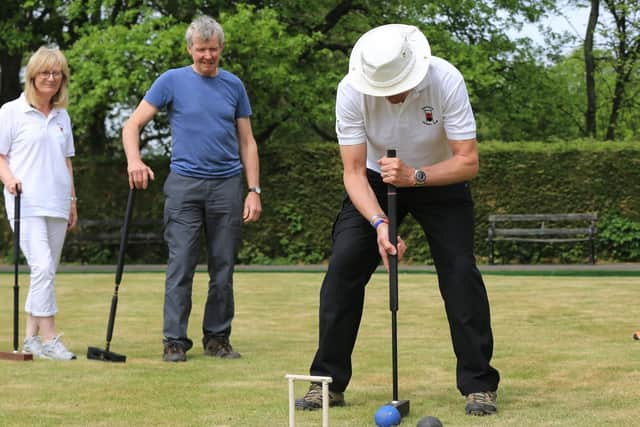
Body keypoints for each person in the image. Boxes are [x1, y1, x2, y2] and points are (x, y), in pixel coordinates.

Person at [295, 24, 500, 415]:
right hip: (375, 177)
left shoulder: (446, 80)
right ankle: (327, 383)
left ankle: (479, 384)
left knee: (459, 272)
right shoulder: (351, 90)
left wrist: (415, 176)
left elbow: (467, 161)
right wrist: (378, 223)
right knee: (343, 268)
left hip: (439, 175)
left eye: (397, 84)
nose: (390, 94)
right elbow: (353, 172)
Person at [122, 15, 261, 362]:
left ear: (221, 49)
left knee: (223, 266)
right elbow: (132, 125)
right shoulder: (171, 81)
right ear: (190, 49)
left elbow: (247, 142)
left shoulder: (234, 86)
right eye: (201, 50)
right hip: (184, 185)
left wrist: (254, 189)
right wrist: (134, 161)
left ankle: (217, 338)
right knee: (181, 263)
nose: (207, 56)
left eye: (213, 50)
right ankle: (174, 341)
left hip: (227, 185)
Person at [0, 46, 78, 361]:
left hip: (57, 201)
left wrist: (73, 199)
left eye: (56, 73)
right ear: (32, 77)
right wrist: (8, 178)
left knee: (45, 272)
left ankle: (30, 340)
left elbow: (67, 161)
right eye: (44, 72)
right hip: (25, 201)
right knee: (42, 266)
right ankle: (50, 339)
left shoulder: (62, 116)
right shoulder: (10, 112)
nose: (50, 78)